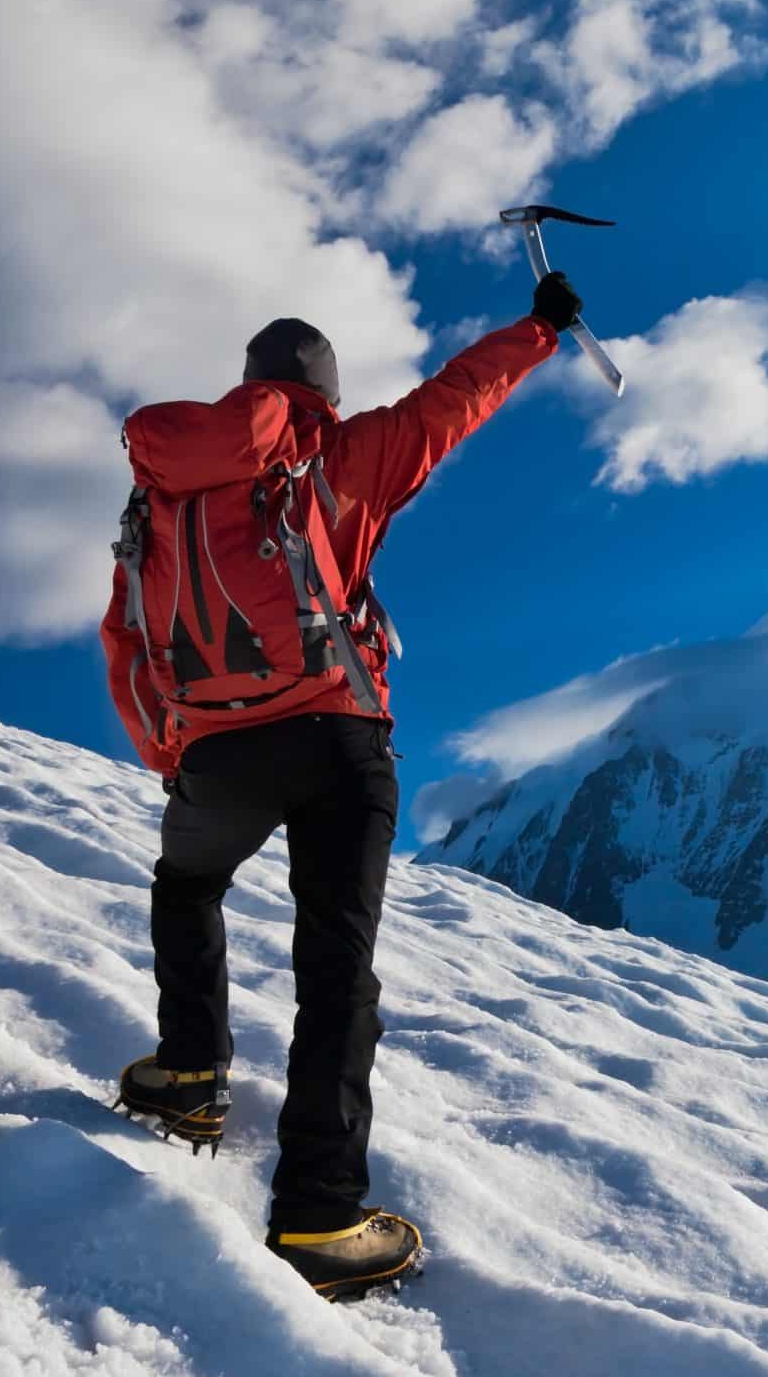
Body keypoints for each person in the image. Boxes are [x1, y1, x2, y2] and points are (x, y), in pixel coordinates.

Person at [100, 269, 582, 1299]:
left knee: (187, 886)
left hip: (218, 748)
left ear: (245, 383)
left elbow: (126, 642)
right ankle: (319, 1219)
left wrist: (178, 754)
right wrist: (540, 328)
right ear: (320, 388)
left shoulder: (158, 495)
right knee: (335, 966)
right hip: (337, 735)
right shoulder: (344, 455)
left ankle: (187, 1079)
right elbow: (455, 398)